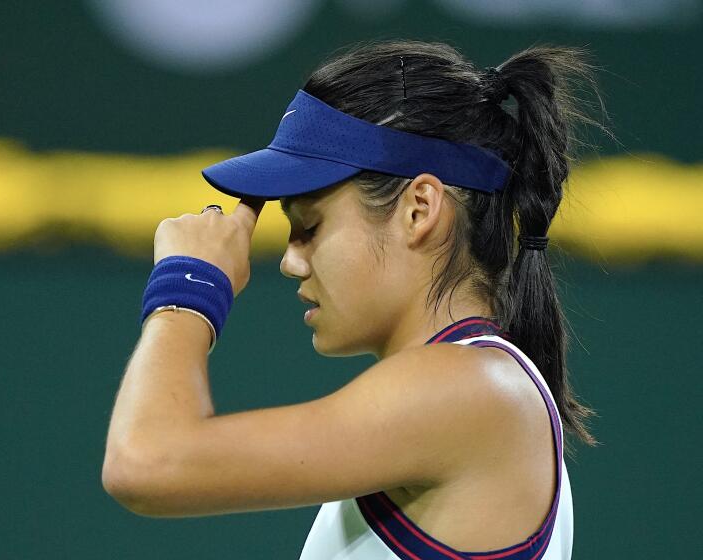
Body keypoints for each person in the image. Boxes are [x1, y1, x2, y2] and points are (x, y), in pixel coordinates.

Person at [102, 39, 604, 560]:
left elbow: (144, 464)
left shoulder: (469, 387)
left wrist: (188, 287)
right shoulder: (475, 387)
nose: (291, 261)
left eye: (310, 227)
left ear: (419, 209)